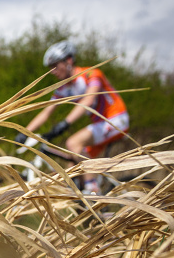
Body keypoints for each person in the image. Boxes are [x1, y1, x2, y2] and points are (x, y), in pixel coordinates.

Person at [19, 41, 129, 195]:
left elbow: (88, 100)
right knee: (73, 168)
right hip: (101, 125)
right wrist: (24, 132)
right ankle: (92, 205)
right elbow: (46, 112)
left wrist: (65, 123)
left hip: (117, 120)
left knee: (73, 143)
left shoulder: (91, 74)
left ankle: (93, 190)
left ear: (68, 60)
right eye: (50, 67)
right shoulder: (64, 88)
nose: (52, 71)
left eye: (55, 65)